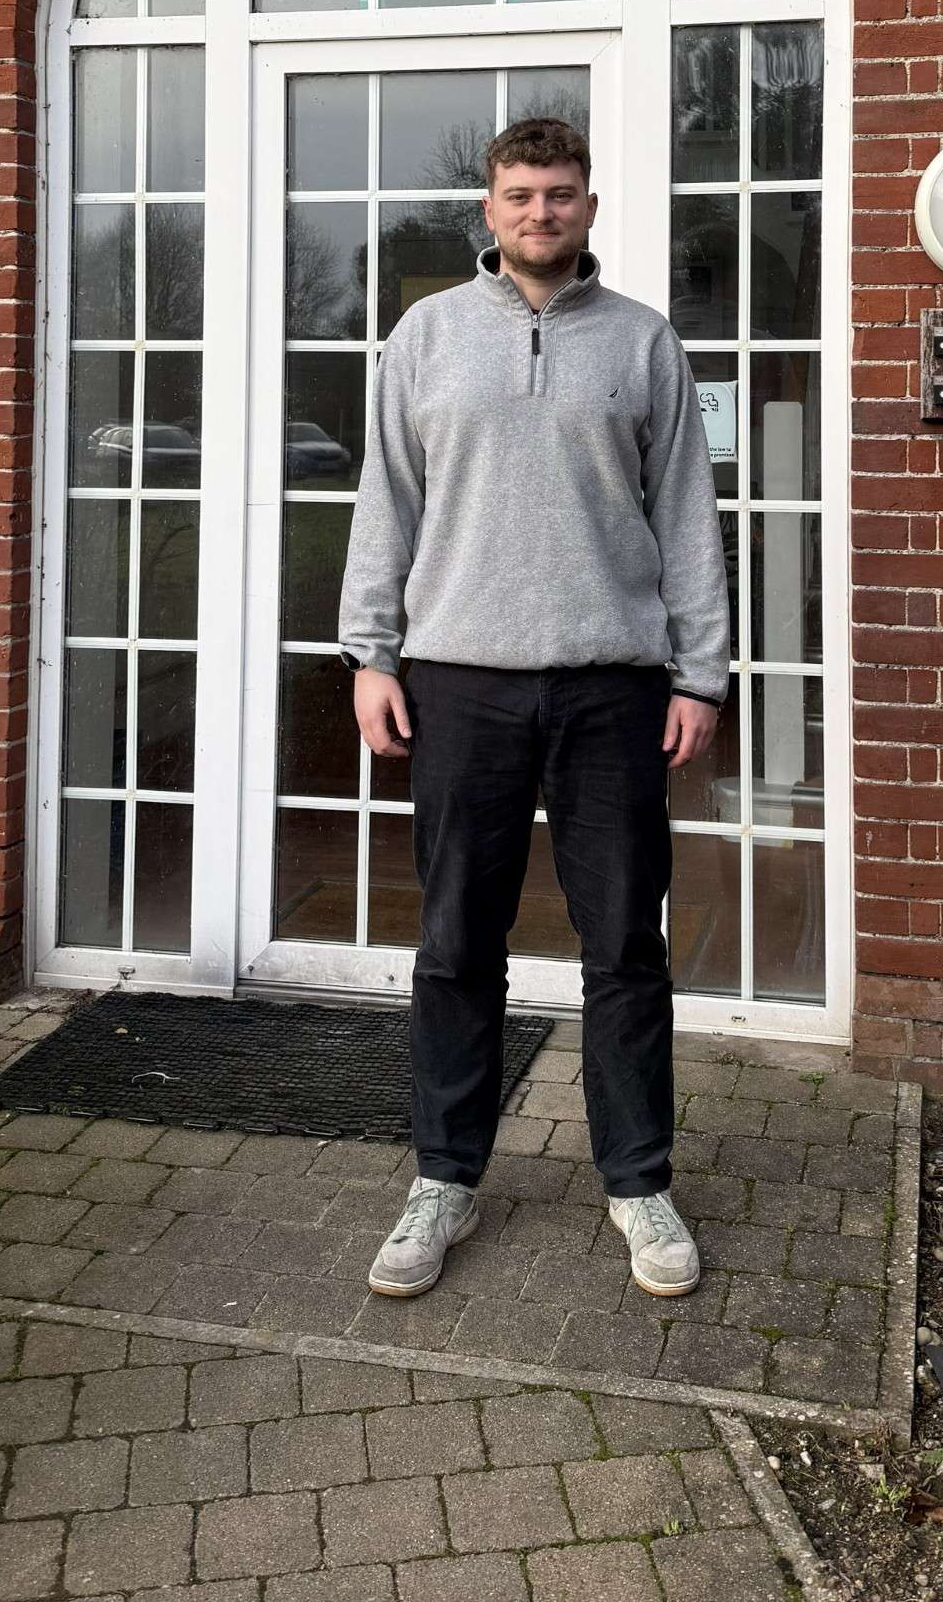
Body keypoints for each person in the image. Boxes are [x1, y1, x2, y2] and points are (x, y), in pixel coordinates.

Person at [336, 115, 731, 1302]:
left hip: (612, 687)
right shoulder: (426, 338)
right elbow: (384, 505)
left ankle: (639, 1183)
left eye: (559, 194)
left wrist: (699, 673)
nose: (539, 213)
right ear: (488, 210)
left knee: (624, 947)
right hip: (460, 683)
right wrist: (371, 656)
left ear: (590, 209)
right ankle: (444, 1180)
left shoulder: (643, 345)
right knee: (457, 943)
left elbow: (687, 520)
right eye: (518, 194)